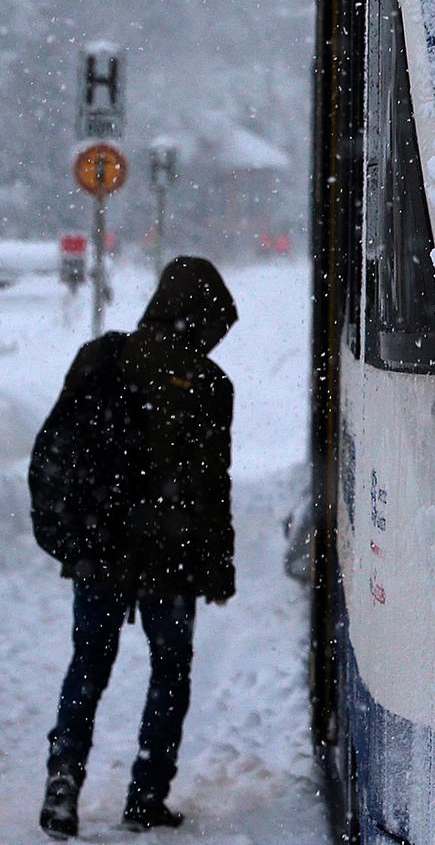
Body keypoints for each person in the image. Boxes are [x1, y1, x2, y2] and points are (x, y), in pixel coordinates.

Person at [29, 257, 237, 839]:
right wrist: (217, 568)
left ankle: (64, 779)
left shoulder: (103, 358)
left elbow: (55, 447)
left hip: (100, 547)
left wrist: (61, 529)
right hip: (170, 562)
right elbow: (211, 489)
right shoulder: (211, 386)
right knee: (169, 671)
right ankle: (147, 792)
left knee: (87, 666)